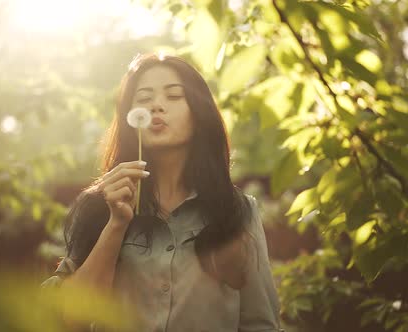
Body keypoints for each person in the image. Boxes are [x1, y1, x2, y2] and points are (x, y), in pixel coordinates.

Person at [41, 52, 283, 332]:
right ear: (130, 117)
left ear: (199, 112)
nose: (157, 105)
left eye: (174, 96)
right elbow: (71, 319)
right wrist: (117, 224)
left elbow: (259, 323)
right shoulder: (100, 206)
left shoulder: (237, 211)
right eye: (144, 99)